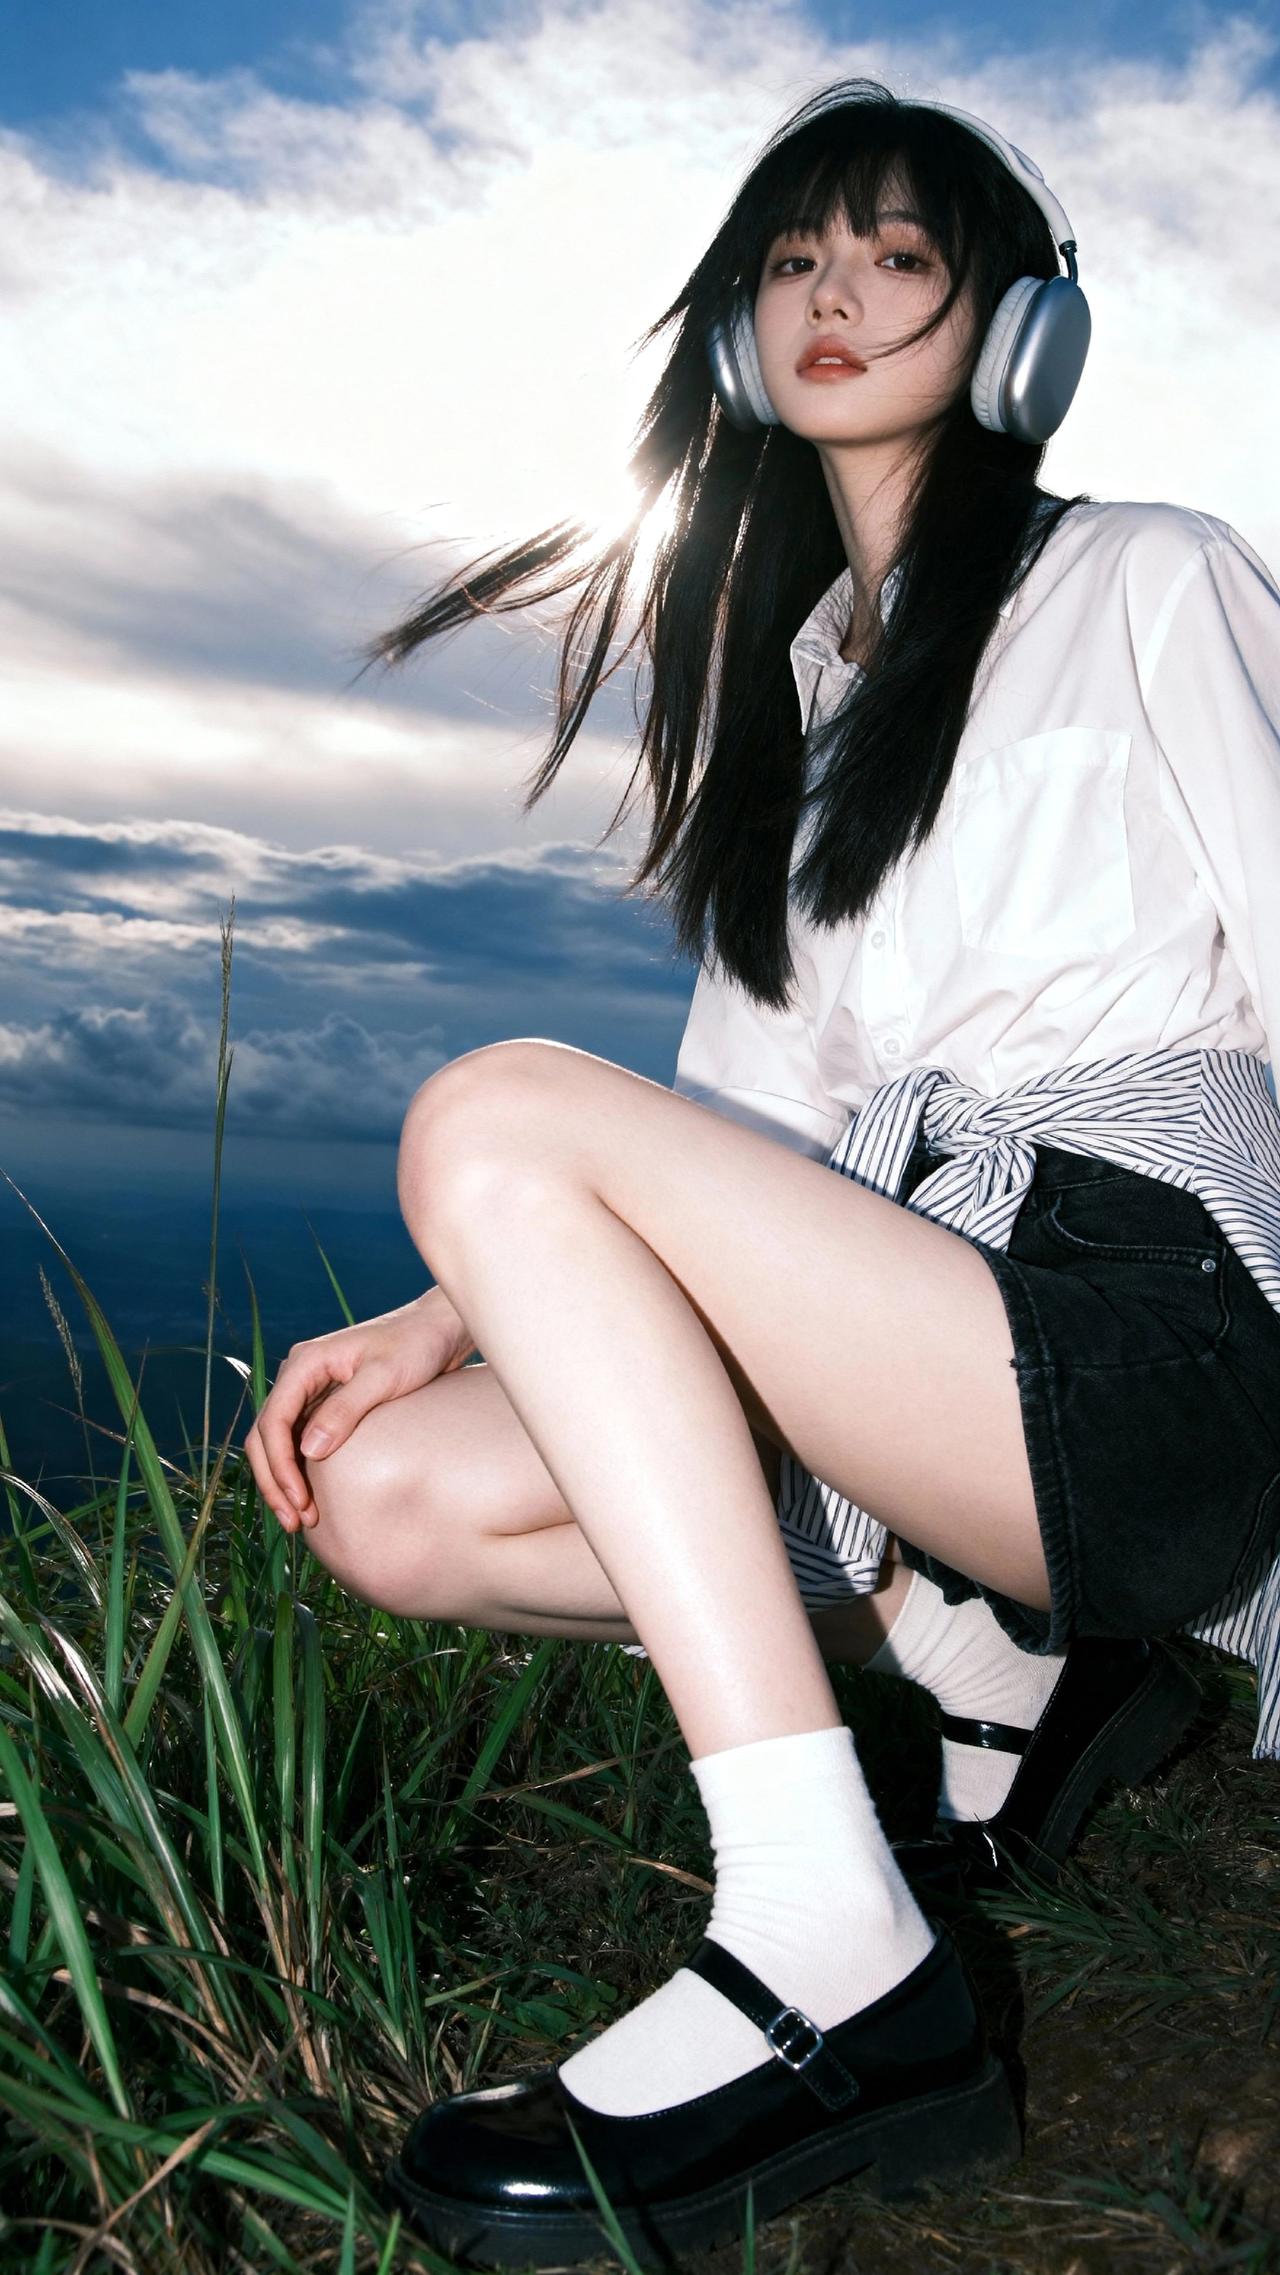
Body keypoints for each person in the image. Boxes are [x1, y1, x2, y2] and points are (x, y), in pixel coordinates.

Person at [242, 77, 1280, 2266]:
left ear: (1018, 330)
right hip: (929, 1339)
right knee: (391, 1494)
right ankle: (988, 1654)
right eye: (795, 259)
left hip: (1149, 1332)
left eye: (899, 256)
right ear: (734, 330)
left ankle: (831, 1937)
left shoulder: (1150, 576)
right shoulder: (804, 708)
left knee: (487, 1102)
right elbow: (743, 1144)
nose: (837, 295)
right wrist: (433, 1320)